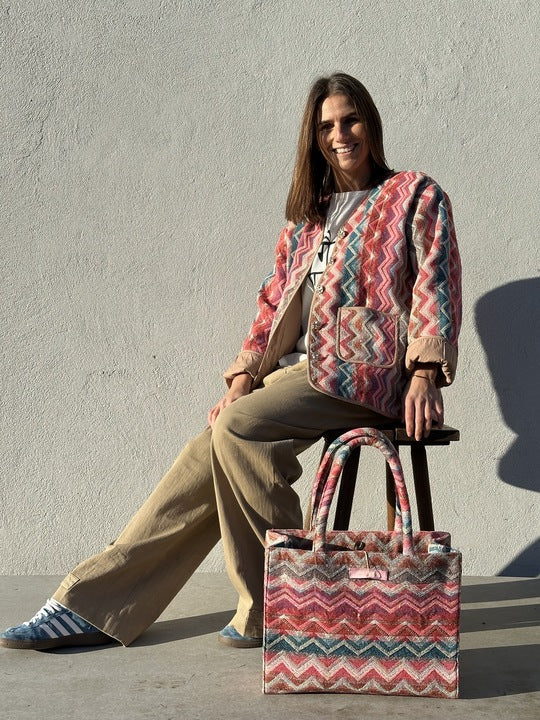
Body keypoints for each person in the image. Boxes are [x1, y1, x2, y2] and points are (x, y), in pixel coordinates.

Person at [0, 73, 461, 651]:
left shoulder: (414, 194)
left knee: (237, 428)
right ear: (313, 138)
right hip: (296, 373)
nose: (340, 134)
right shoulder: (308, 216)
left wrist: (424, 373)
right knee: (206, 451)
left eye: (351, 120)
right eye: (326, 126)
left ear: (371, 122)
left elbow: (435, 285)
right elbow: (273, 301)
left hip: (364, 371)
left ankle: (282, 602)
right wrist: (243, 376)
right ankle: (91, 604)